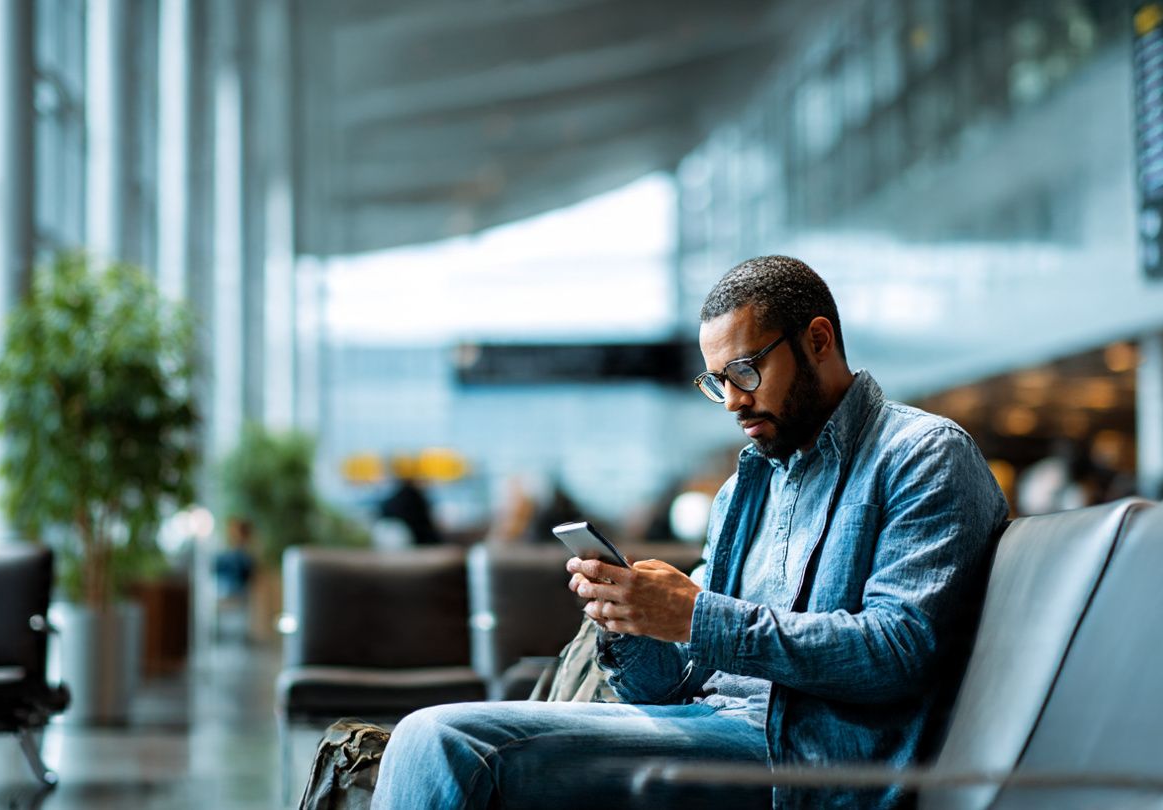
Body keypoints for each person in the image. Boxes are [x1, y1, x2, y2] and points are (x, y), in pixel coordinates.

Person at [369, 256, 1009, 809]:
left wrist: (699, 617)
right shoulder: (744, 490)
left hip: (805, 759)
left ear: (818, 340)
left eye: (747, 372)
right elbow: (669, 686)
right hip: (710, 725)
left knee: (441, 741)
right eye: (717, 382)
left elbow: (897, 652)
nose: (732, 401)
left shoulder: (921, 455)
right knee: (429, 739)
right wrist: (629, 619)